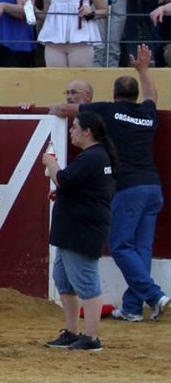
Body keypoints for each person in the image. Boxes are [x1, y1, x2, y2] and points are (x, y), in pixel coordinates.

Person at [58, 45, 170, 322]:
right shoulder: (147, 112)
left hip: (129, 188)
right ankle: (132, 308)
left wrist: (50, 109)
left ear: (114, 94)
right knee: (141, 249)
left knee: (120, 245)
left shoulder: (108, 110)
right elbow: (152, 96)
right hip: (153, 187)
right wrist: (143, 70)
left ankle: (155, 295)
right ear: (135, 95)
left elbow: (67, 109)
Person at [39, 111, 114, 352]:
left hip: (81, 227)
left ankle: (92, 337)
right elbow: (87, 189)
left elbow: (63, 179)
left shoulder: (92, 157)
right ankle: (72, 332)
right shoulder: (97, 156)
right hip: (77, 225)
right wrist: (62, 193)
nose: (71, 131)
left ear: (87, 132)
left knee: (85, 281)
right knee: (63, 279)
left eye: (75, 127)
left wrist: (51, 164)